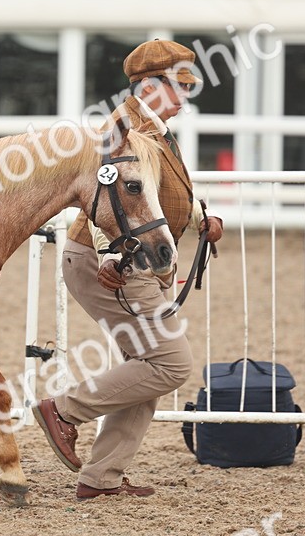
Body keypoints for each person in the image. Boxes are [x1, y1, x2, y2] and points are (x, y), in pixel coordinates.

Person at [32, 39, 223, 498]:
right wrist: (112, 256)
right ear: (147, 86)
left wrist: (200, 218)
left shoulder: (155, 129)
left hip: (135, 262)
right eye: (177, 88)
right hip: (116, 263)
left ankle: (101, 478)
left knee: (149, 364)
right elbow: (107, 201)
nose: (183, 98)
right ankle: (63, 410)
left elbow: (156, 193)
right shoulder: (121, 130)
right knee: (171, 363)